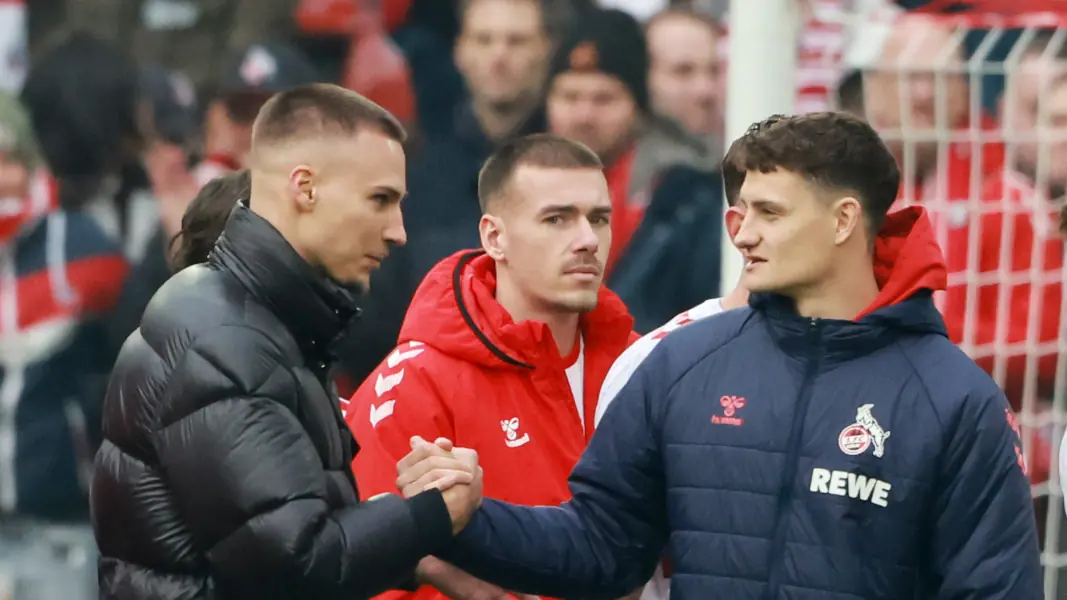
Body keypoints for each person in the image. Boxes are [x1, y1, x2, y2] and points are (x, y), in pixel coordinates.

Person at [398, 112, 1043, 599]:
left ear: (844, 220)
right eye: (741, 212)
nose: (745, 233)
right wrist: (466, 517)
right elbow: (599, 546)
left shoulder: (955, 400)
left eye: (769, 212)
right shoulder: (683, 365)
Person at [91, 83, 478, 600]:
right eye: (380, 200)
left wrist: (412, 560)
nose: (398, 231)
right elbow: (297, 566)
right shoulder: (225, 339)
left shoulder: (265, 322)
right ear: (305, 187)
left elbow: (272, 536)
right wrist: (431, 512)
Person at [347, 133, 638, 600]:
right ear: (494, 237)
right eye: (557, 218)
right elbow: (366, 571)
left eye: (599, 219)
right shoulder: (415, 382)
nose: (587, 240)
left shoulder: (643, 365)